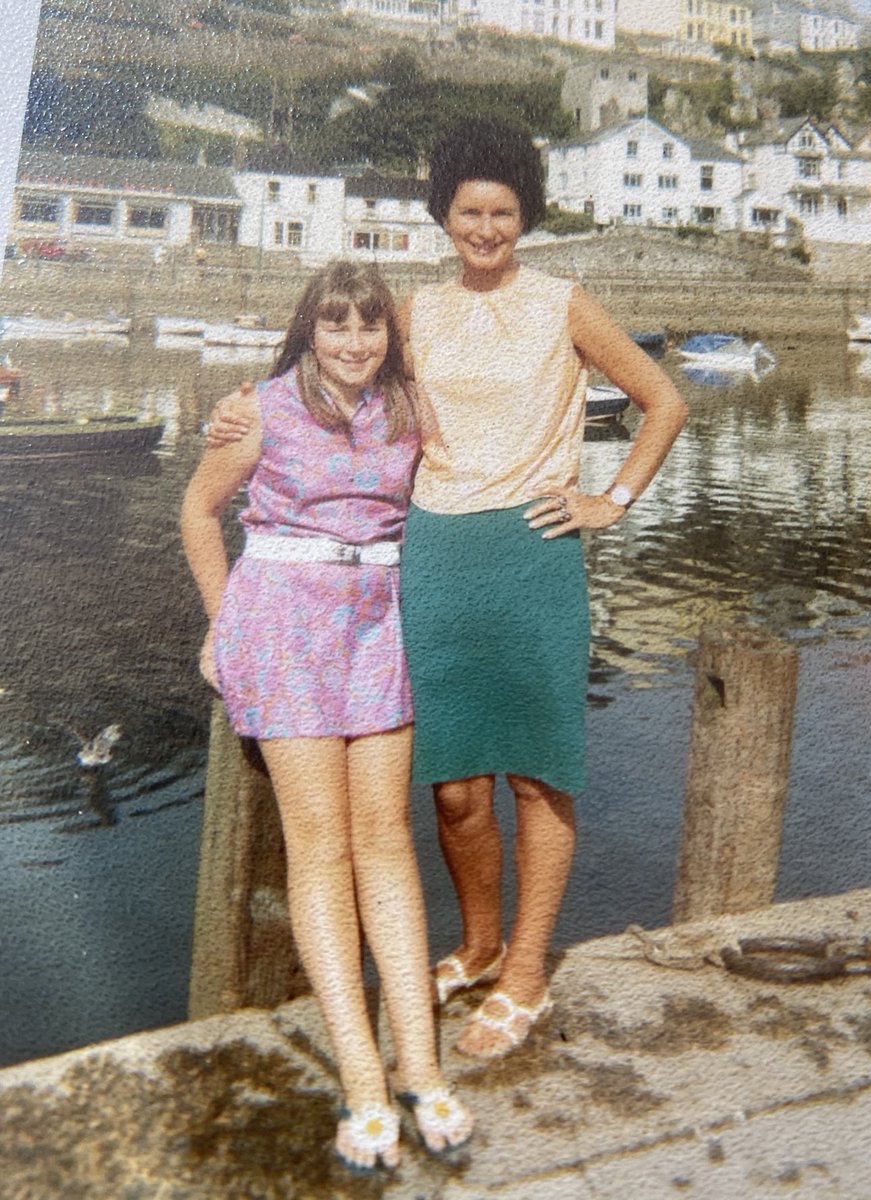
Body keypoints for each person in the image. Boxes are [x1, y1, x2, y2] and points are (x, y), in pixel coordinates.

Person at [209, 121, 688, 1064]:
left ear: (526, 216)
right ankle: (475, 943)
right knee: (457, 785)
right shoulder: (414, 310)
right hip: (427, 555)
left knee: (539, 771)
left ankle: (524, 974)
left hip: (533, 550)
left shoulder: (564, 302)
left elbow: (663, 399)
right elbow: (328, 378)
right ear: (443, 216)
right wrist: (238, 402)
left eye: (502, 210)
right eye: (469, 210)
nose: (485, 226)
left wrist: (613, 500)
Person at [181, 261, 474, 1172]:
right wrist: (223, 624)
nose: (355, 343)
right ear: (309, 330)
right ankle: (359, 1077)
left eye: (372, 326)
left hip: (379, 623)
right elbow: (198, 508)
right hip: (283, 622)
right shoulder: (259, 408)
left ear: (391, 332)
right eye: (337, 326)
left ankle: (421, 1069)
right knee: (322, 849)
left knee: (385, 840)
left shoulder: (412, 406)